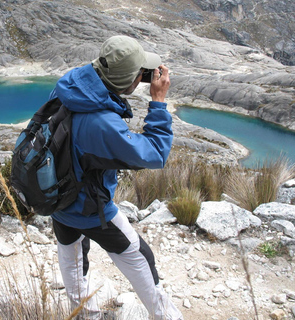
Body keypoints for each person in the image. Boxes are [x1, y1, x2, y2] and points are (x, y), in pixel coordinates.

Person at [48, 35, 183, 320]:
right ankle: (166, 316)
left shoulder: (70, 85)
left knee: (72, 256)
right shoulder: (101, 123)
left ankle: (83, 314)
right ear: (130, 79)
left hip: (57, 200)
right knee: (138, 255)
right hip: (91, 210)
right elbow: (154, 154)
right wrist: (158, 102)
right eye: (140, 73)